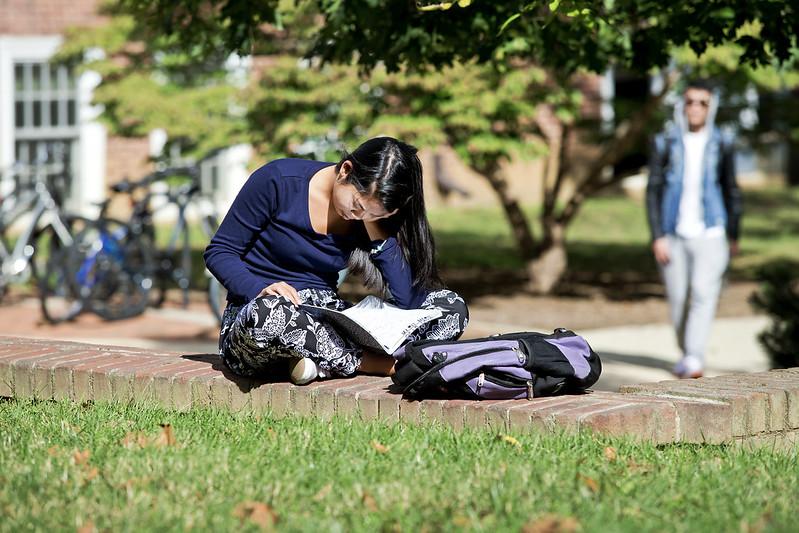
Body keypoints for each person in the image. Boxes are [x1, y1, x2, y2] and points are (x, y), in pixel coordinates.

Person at [204, 137, 469, 384]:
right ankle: (377, 363)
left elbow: (408, 299)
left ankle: (318, 361)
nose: (358, 215)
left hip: (329, 320)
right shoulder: (278, 180)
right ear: (345, 170)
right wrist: (258, 289)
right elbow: (219, 251)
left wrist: (376, 231)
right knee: (269, 316)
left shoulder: (368, 219)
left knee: (451, 306)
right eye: (357, 204)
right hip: (261, 316)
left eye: (372, 214)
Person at [646, 79, 742, 379]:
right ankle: (686, 350)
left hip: (712, 231)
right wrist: (657, 235)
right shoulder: (666, 141)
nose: (695, 108)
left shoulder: (722, 142)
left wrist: (734, 233)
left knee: (703, 292)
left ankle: (694, 358)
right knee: (678, 299)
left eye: (702, 102)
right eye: (690, 101)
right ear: (682, 106)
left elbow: (731, 188)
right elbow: (653, 190)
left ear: (711, 107)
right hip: (673, 234)